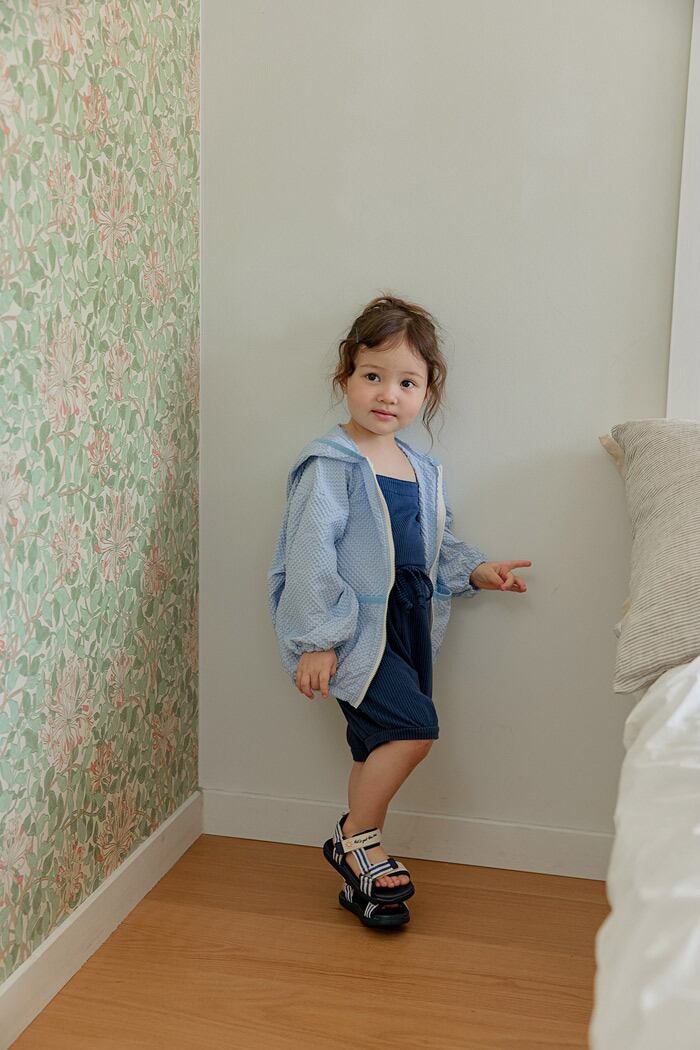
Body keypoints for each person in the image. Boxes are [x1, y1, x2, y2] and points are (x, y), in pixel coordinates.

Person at [267, 293, 531, 926]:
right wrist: (318, 639)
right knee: (413, 730)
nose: (388, 394)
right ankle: (356, 841)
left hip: (410, 622)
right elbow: (309, 555)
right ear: (346, 378)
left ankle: (362, 877)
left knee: (377, 744)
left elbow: (432, 543)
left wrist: (477, 570)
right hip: (359, 631)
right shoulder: (331, 466)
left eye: (407, 382)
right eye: (373, 376)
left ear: (427, 391)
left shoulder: (420, 467)